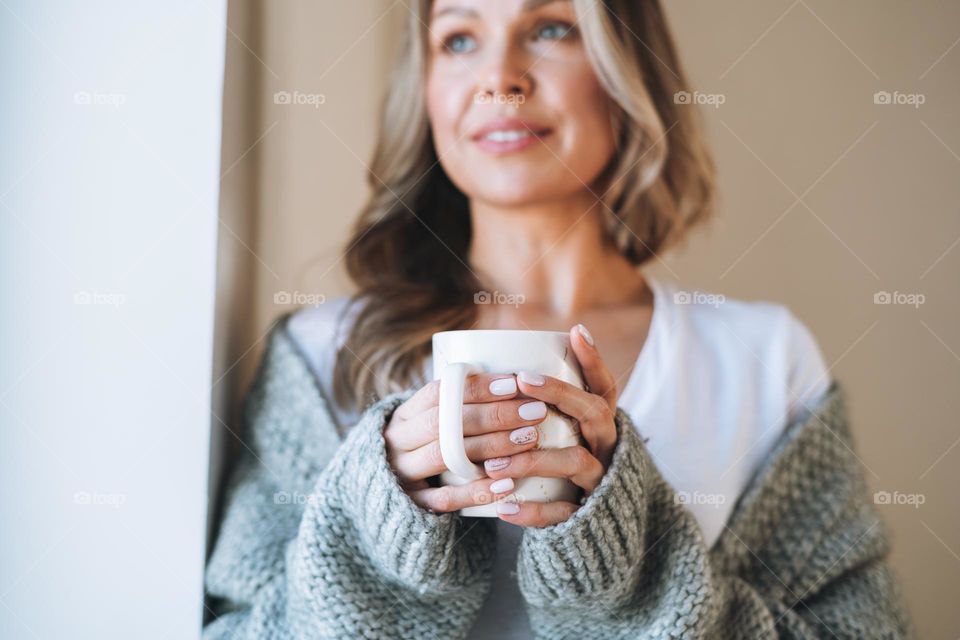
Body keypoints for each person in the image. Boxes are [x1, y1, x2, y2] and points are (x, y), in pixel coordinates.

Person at [203, 1, 913, 638]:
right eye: (457, 38)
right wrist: (375, 533)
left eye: (550, 28)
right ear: (422, 91)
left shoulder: (763, 362)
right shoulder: (322, 356)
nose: (500, 77)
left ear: (624, 67)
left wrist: (627, 566)